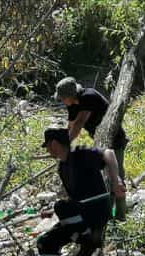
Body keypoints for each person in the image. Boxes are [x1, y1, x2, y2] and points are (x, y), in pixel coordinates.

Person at [37, 127, 125, 256]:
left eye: (48, 146)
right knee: (44, 242)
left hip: (97, 209)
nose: (48, 151)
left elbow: (108, 153)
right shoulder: (62, 167)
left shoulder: (80, 153)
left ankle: (89, 241)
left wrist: (116, 180)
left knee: (61, 207)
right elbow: (73, 199)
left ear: (54, 144)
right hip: (82, 213)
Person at [55, 76, 129, 220]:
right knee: (99, 179)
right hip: (98, 141)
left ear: (70, 96)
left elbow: (79, 123)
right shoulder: (72, 105)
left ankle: (121, 218)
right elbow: (70, 126)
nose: (62, 101)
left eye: (62, 98)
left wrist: (66, 144)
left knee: (117, 178)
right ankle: (105, 214)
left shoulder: (89, 96)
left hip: (114, 140)